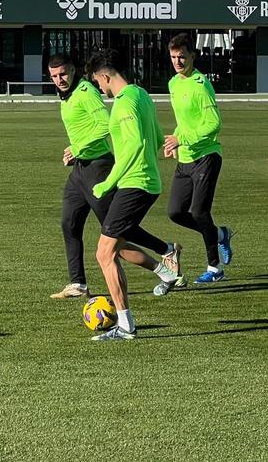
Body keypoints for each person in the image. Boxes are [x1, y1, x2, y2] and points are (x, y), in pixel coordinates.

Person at [47, 54, 182, 300]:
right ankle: (78, 283)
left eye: (63, 74)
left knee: (115, 235)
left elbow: (104, 125)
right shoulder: (67, 97)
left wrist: (79, 149)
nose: (60, 80)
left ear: (74, 71)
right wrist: (75, 153)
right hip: (80, 169)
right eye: (54, 76)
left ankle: (165, 257)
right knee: (70, 224)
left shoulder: (87, 91)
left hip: (98, 168)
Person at [86, 49, 181, 340]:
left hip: (134, 184)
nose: (100, 89)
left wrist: (108, 183)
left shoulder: (124, 105)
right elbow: (153, 138)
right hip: (146, 181)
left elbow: (135, 146)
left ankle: (126, 325)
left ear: (104, 76)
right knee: (116, 243)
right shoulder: (141, 94)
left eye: (98, 83)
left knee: (104, 253)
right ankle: (165, 267)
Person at [164, 33, 233, 289]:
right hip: (185, 158)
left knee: (199, 211)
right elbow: (185, 122)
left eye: (182, 56)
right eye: (173, 57)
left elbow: (214, 124)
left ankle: (214, 268)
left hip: (207, 156)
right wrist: (175, 140)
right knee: (175, 212)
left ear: (192, 56)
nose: (178, 61)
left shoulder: (201, 84)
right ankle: (220, 234)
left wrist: (184, 139)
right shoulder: (173, 83)